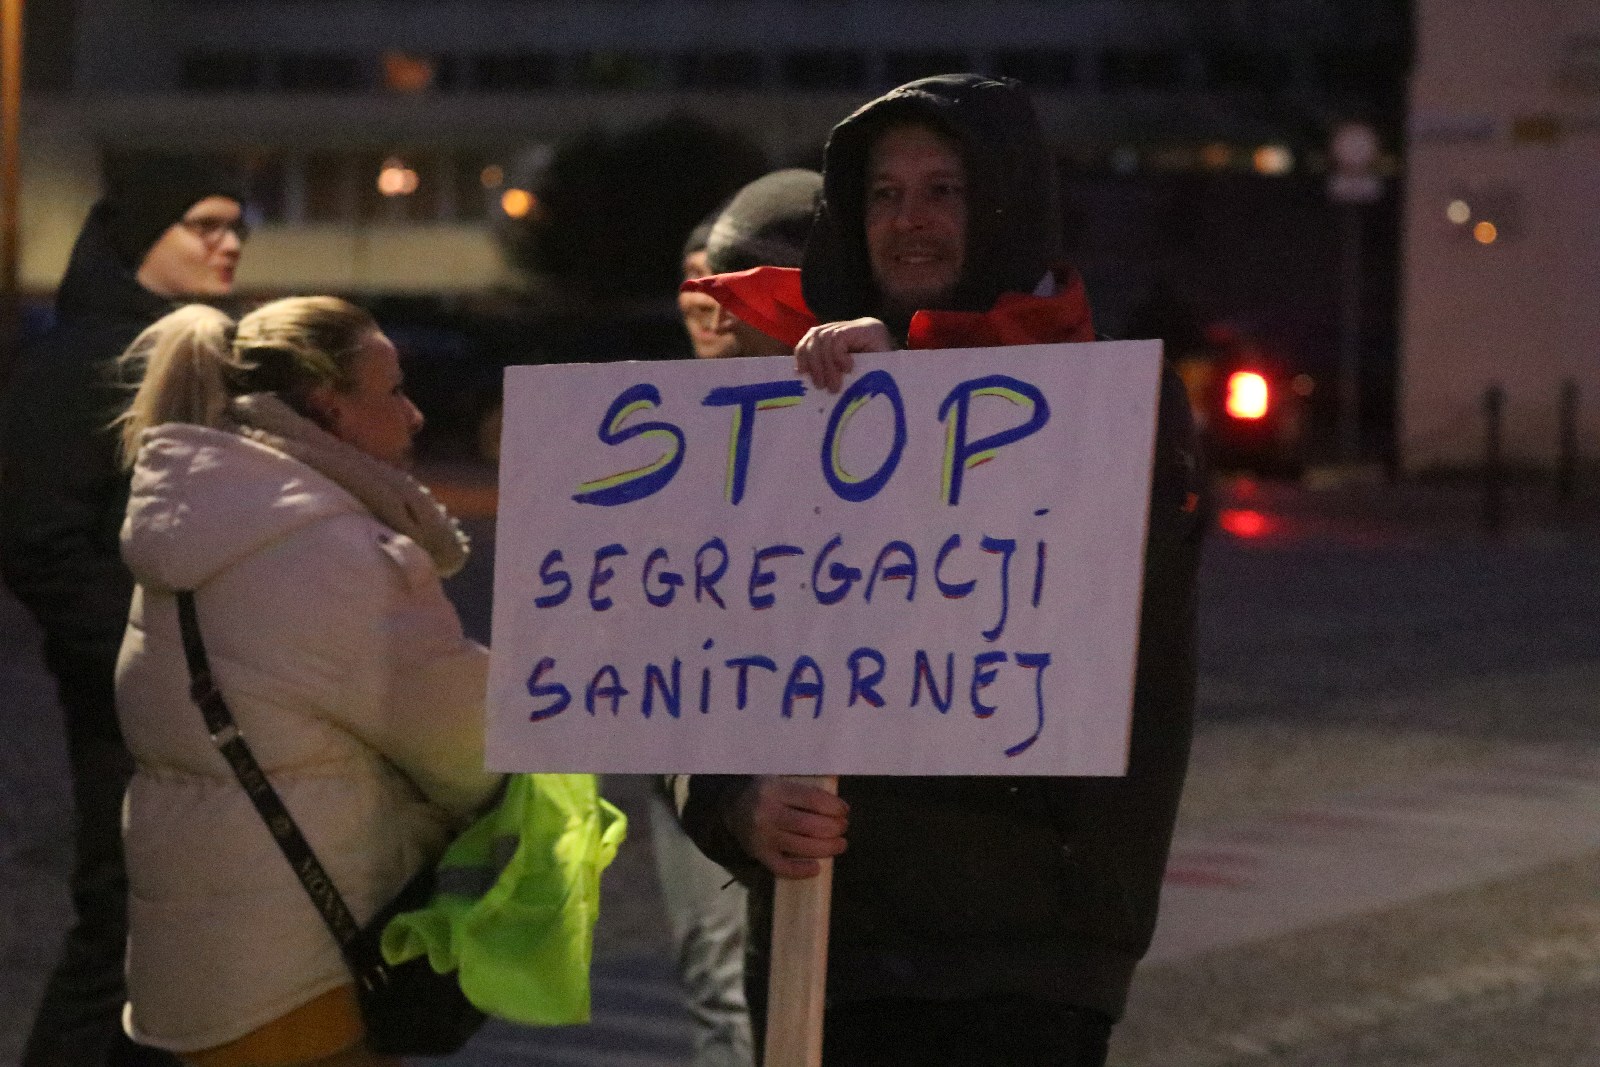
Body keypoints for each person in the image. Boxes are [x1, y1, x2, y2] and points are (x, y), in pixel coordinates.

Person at [676, 74, 1206, 1066]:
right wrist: (732, 804)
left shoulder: (1117, 404)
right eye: (882, 194)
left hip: (1022, 960)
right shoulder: (786, 401)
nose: (907, 221)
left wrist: (918, 383)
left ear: (1003, 206)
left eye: (942, 191)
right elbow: (692, 661)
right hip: (817, 935)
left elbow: (1081, 607)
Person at [109, 296, 501, 1067]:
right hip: (302, 975)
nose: (416, 415)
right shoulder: (332, 551)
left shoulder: (208, 522)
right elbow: (470, 748)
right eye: (391, 391)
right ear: (332, 407)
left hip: (198, 965)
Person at [0, 155, 247, 1067]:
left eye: (237, 227)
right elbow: (37, 536)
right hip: (126, 698)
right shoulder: (79, 361)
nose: (229, 244)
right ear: (146, 233)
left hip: (222, 696)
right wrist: (141, 652)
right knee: (124, 922)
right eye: (206, 223)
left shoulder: (211, 354)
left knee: (188, 933)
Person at [644, 166, 826, 1067]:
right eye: (693, 285)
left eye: (727, 286)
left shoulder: (866, 421)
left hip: (814, 762)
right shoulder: (653, 443)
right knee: (721, 981)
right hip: (697, 756)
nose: (705, 309)